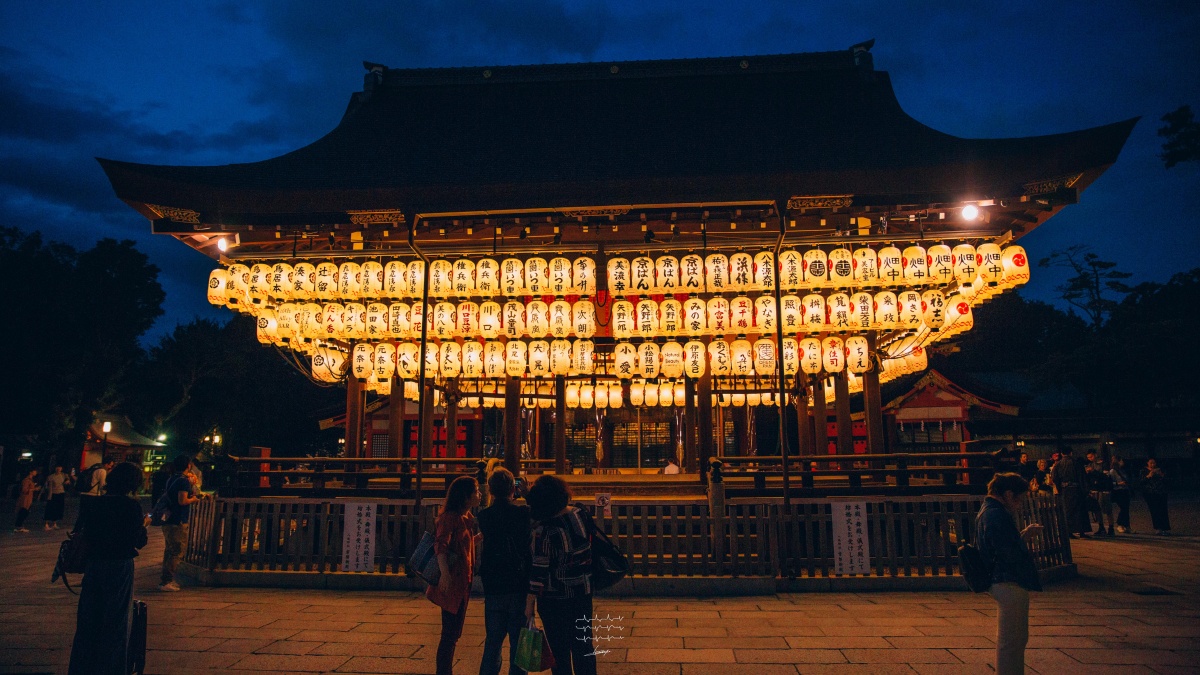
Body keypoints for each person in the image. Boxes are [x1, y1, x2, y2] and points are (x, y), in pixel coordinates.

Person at [67, 461, 148, 675]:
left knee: (88, 619)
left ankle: (82, 667)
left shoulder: (94, 504)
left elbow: (83, 532)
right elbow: (139, 540)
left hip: (94, 563)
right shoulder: (130, 506)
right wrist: (143, 526)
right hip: (119, 564)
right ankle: (111, 668)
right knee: (116, 620)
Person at [525, 475, 596, 675]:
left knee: (559, 650)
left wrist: (529, 603)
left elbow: (539, 571)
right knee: (583, 645)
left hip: (555, 596)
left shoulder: (546, 531)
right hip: (583, 590)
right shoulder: (579, 514)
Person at [976, 472, 1043, 675]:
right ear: (1007, 494)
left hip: (1002, 580)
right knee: (1012, 641)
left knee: (1013, 639)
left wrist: (1023, 535)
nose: (1020, 504)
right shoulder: (996, 514)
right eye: (1019, 498)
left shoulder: (989, 511)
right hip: (1008, 581)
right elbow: (1006, 551)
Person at [477, 468, 532, 675]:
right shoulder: (522, 514)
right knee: (519, 642)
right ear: (512, 489)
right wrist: (527, 495)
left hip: (493, 583)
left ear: (490, 490)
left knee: (493, 641)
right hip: (518, 581)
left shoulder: (485, 516)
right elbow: (539, 513)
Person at [428, 476, 481, 675]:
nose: (479, 494)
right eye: (476, 491)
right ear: (465, 496)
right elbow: (440, 545)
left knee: (454, 632)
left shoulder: (465, 517)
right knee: (449, 634)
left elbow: (463, 544)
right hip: (453, 582)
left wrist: (480, 538)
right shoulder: (451, 517)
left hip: (462, 582)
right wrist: (445, 574)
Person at [159, 454, 203, 592]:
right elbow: (182, 500)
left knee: (169, 550)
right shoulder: (183, 481)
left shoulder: (171, 478)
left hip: (168, 519)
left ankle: (165, 580)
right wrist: (194, 500)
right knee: (177, 551)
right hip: (178, 520)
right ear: (188, 466)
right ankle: (167, 581)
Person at [1050, 447, 1090, 538]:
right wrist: (1085, 490)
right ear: (1071, 453)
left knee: (1068, 511)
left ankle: (1069, 532)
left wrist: (1059, 488)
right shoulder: (1076, 463)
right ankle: (1082, 532)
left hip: (1065, 490)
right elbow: (1082, 477)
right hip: (1076, 489)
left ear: (1062, 453)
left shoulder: (1058, 464)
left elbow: (1054, 477)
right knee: (1080, 511)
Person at [75, 458, 115, 531]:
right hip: (93, 495)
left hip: (84, 493)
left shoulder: (93, 467)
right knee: (91, 515)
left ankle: (76, 531)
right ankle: (84, 531)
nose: (110, 467)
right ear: (106, 464)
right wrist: (105, 496)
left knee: (82, 514)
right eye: (110, 465)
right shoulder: (102, 471)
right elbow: (102, 485)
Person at [1086, 454, 1114, 536]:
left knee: (1107, 510)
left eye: (1091, 456)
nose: (1090, 459)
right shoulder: (1090, 465)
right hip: (1095, 489)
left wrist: (1093, 471)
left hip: (1104, 489)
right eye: (1088, 457)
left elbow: (1105, 477)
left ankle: (1111, 528)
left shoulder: (1103, 464)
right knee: (1096, 510)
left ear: (1095, 455)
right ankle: (1101, 527)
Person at [1141, 459, 1171, 535]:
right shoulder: (1143, 471)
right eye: (1151, 463)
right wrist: (1149, 476)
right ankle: (1158, 528)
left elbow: (1167, 480)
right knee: (1155, 511)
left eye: (1154, 463)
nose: (1152, 465)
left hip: (1161, 493)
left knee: (1163, 510)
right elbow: (1141, 482)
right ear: (1147, 463)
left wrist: (1161, 474)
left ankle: (1164, 528)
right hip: (1150, 493)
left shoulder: (1159, 470)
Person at [1108, 457, 1133, 533]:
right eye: (1121, 460)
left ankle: (1127, 526)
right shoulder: (1112, 471)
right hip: (1118, 491)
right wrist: (1118, 483)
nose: (1123, 462)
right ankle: (1120, 524)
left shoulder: (1122, 470)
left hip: (1125, 490)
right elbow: (1110, 482)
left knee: (1126, 508)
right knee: (1123, 508)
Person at [43, 465, 70, 530]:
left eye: (60, 467)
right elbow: (48, 486)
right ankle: (46, 524)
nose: (58, 469)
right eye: (57, 467)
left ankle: (54, 523)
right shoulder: (51, 477)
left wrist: (67, 482)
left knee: (58, 509)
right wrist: (49, 496)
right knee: (50, 508)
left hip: (61, 493)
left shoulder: (64, 475)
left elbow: (68, 481)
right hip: (53, 494)